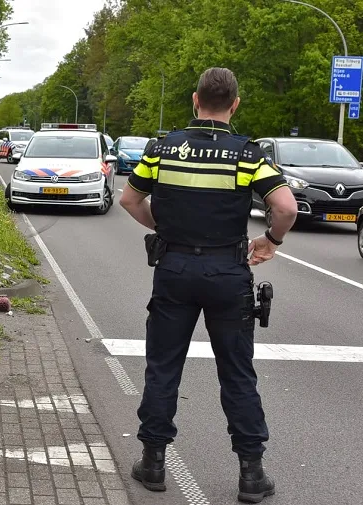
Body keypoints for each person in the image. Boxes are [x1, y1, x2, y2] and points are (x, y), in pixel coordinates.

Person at [119, 67, 298, 504]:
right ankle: (251, 474)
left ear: (195, 100)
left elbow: (129, 199)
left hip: (174, 268)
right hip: (227, 273)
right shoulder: (248, 155)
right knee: (237, 374)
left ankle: (153, 462)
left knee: (163, 367)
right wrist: (270, 242)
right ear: (234, 104)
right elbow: (285, 207)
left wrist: (164, 228)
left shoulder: (163, 149)